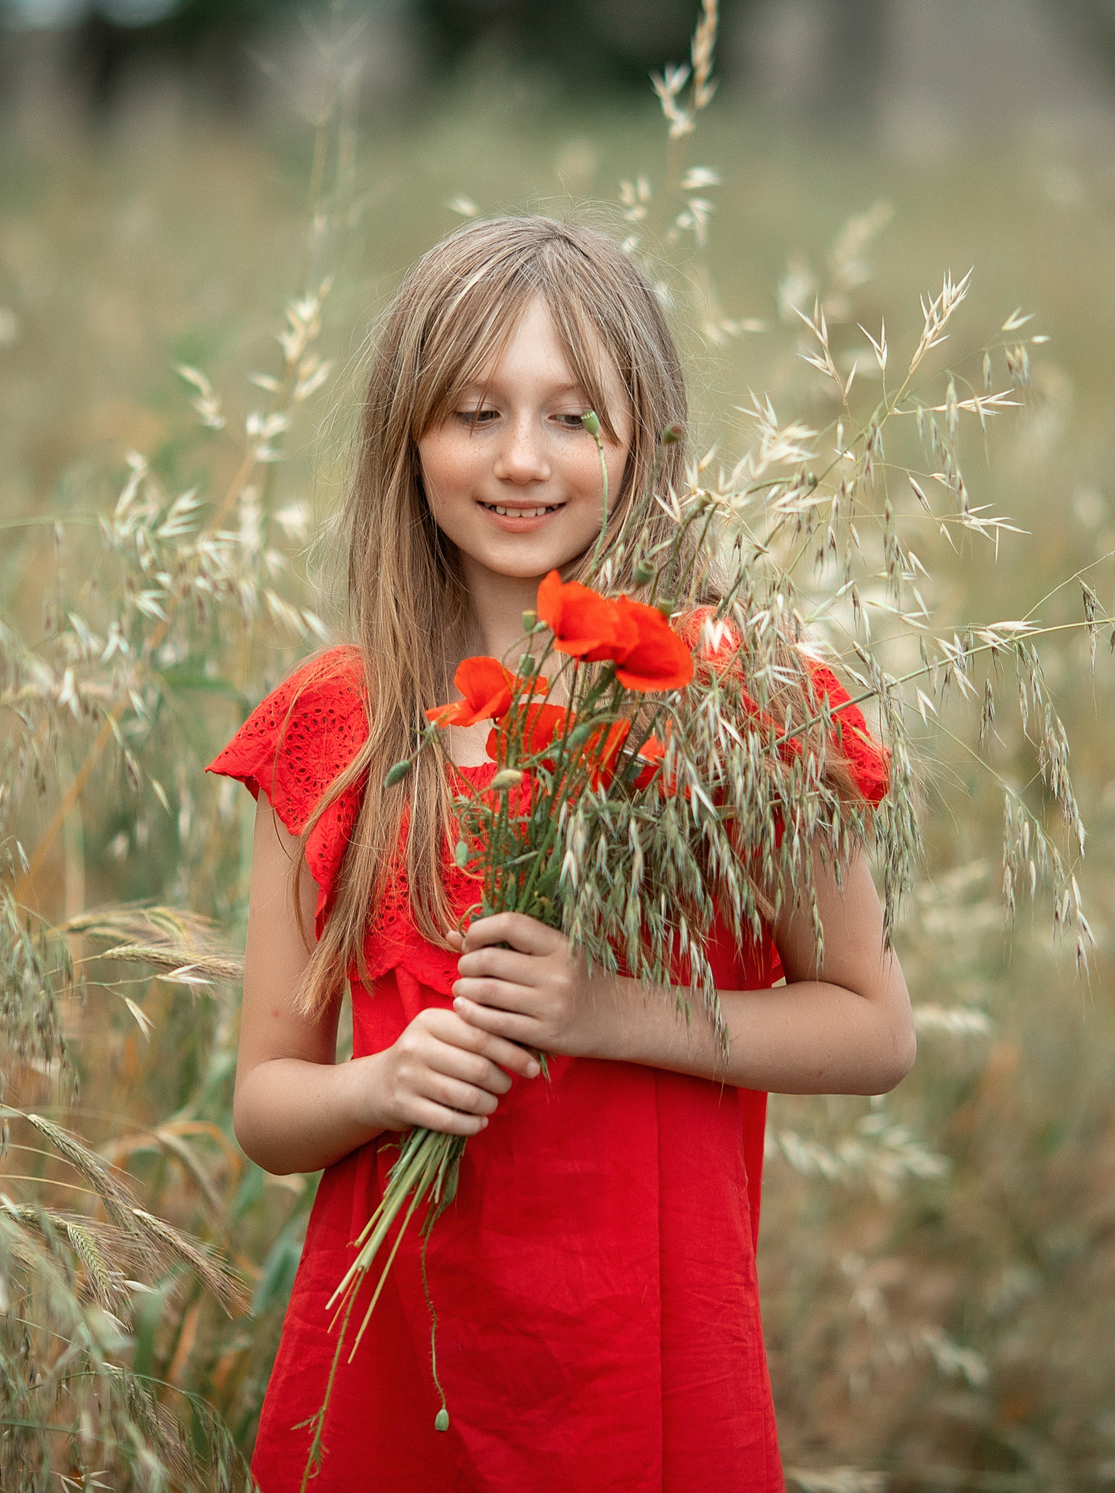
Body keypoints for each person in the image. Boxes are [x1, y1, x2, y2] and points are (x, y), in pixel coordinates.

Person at [213, 215, 916, 1491]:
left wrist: (609, 1010)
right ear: (406, 440)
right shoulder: (334, 732)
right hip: (391, 1380)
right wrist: (379, 1089)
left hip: (641, 1381)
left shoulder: (741, 711)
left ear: (641, 434)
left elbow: (873, 1033)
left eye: (571, 415)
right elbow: (265, 1102)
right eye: (474, 413)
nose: (522, 460)